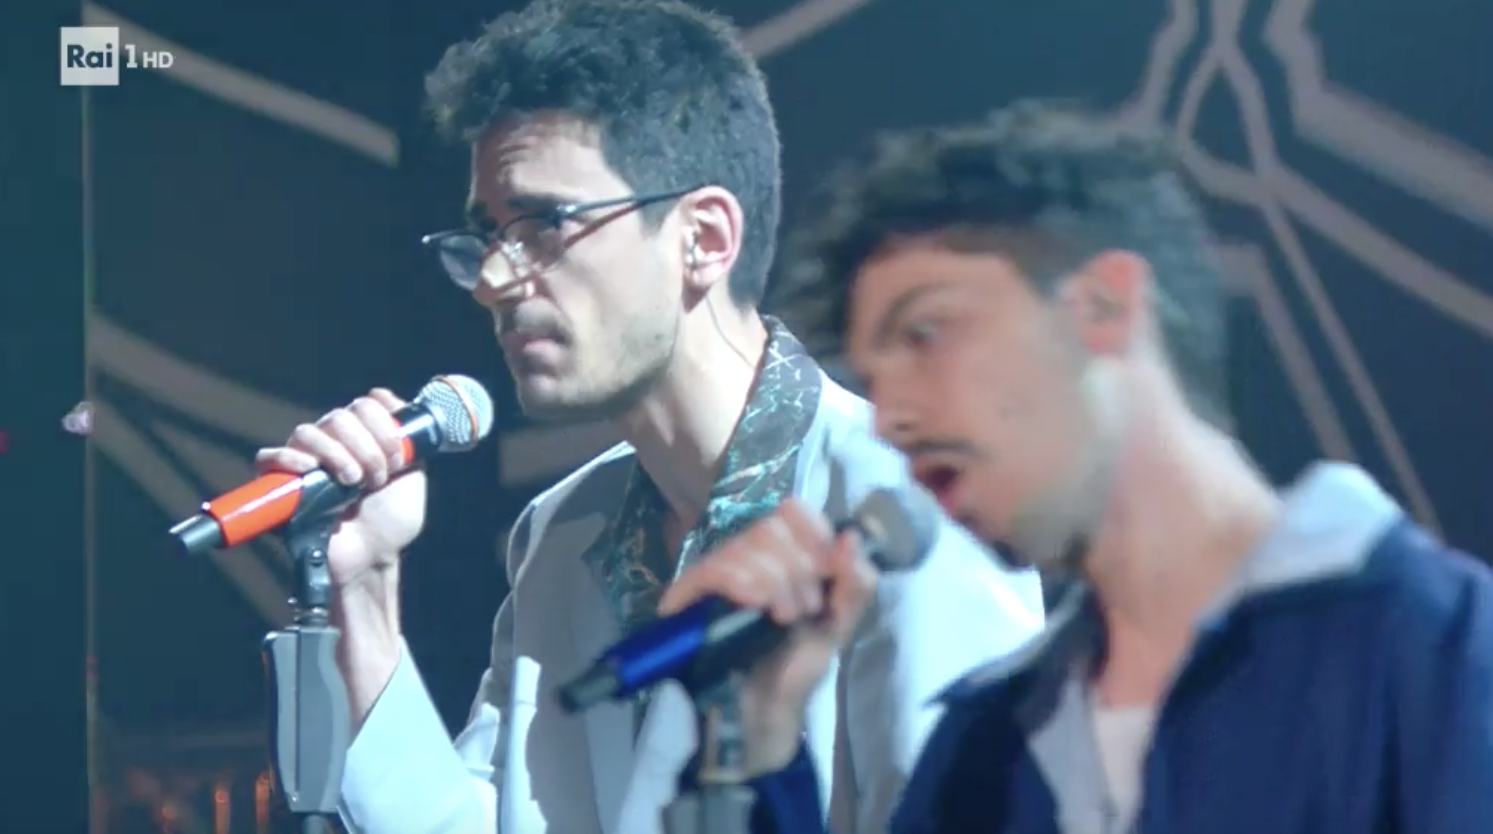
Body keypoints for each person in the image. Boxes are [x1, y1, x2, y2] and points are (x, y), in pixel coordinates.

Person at [252, 3, 1044, 834]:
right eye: (488, 236)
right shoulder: (561, 534)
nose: (492, 280)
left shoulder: (910, 505)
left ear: (703, 238)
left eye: (544, 225)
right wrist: (366, 585)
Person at [659, 100, 1493, 833]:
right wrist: (754, 752)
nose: (893, 417)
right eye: (873, 382)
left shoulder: (1436, 645)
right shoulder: (983, 747)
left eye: (925, 333)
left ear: (1104, 304)